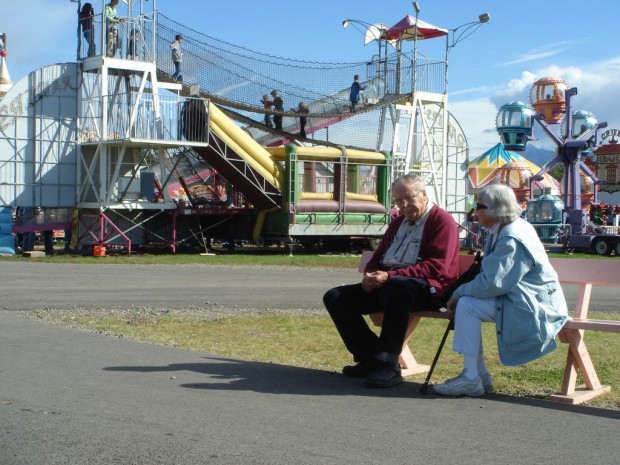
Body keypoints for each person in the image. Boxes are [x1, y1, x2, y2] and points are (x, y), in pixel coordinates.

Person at [323, 174, 460, 388]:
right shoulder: (398, 223)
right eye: (398, 201)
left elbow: (438, 267)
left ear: (423, 194)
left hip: (428, 289)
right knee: (335, 297)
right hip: (392, 285)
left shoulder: (442, 221)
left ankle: (389, 365)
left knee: (398, 287)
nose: (404, 206)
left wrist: (390, 276)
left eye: (409, 199)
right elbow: (378, 255)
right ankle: (370, 357)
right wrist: (370, 274)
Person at [433, 184, 569, 397]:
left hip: (534, 304)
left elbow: (493, 283)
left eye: (479, 206)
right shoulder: (508, 229)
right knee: (468, 305)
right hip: (523, 297)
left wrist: (458, 293)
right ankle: (478, 375)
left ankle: (471, 377)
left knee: (467, 305)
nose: (475, 210)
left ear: (496, 210)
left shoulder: (510, 237)